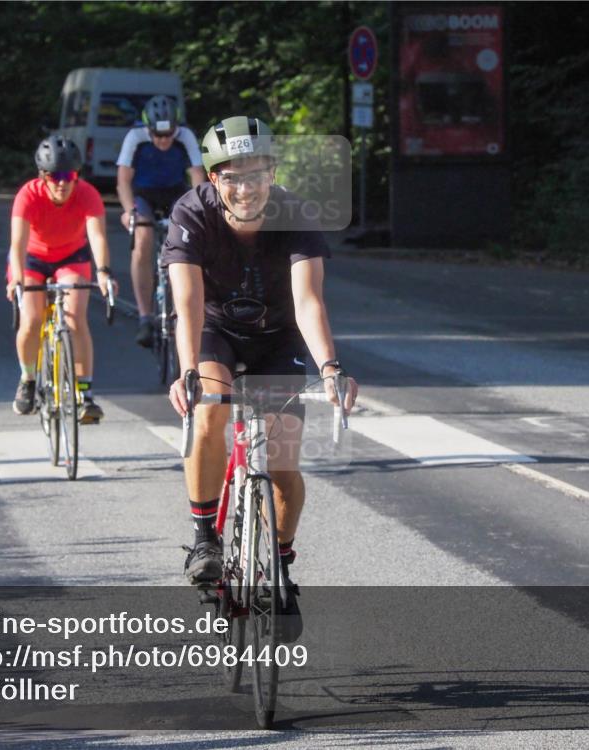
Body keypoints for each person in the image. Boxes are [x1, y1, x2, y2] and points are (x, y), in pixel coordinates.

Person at [163, 116, 358, 634]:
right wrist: (188, 372)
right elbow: (187, 304)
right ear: (212, 179)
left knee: (284, 458)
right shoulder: (192, 214)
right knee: (209, 414)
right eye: (231, 176)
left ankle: (281, 565)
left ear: (272, 173)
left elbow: (309, 301)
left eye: (254, 174)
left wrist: (331, 368)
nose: (244, 187)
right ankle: (206, 538)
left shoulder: (295, 214)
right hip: (214, 332)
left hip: (278, 339)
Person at [6, 135, 116, 423]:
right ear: (43, 176)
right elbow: (17, 244)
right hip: (32, 259)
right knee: (31, 319)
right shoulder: (28, 196)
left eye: (69, 175)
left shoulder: (88, 195)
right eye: (55, 176)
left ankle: (84, 394)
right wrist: (16, 279)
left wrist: (104, 273)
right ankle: (28, 379)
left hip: (71, 257)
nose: (62, 183)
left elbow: (97, 236)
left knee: (74, 318)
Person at [116, 94, 205, 347]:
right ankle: (145, 315)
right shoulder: (135, 137)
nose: (164, 141)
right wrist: (127, 210)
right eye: (158, 136)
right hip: (144, 194)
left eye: (168, 135)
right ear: (148, 129)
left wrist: (198, 209)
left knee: (185, 240)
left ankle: (183, 307)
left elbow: (197, 175)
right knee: (143, 238)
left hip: (174, 192)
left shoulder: (185, 136)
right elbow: (123, 179)